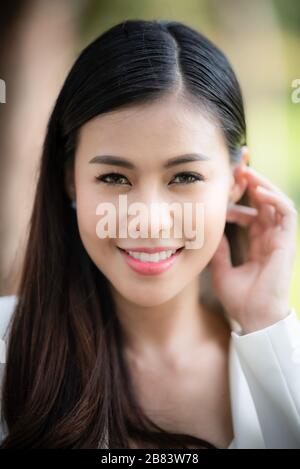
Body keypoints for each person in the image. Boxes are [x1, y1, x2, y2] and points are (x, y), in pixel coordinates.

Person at [0, 19, 299, 449]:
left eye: (185, 176)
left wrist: (265, 322)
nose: (148, 221)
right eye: (115, 178)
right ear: (70, 180)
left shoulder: (284, 351)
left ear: (237, 180)